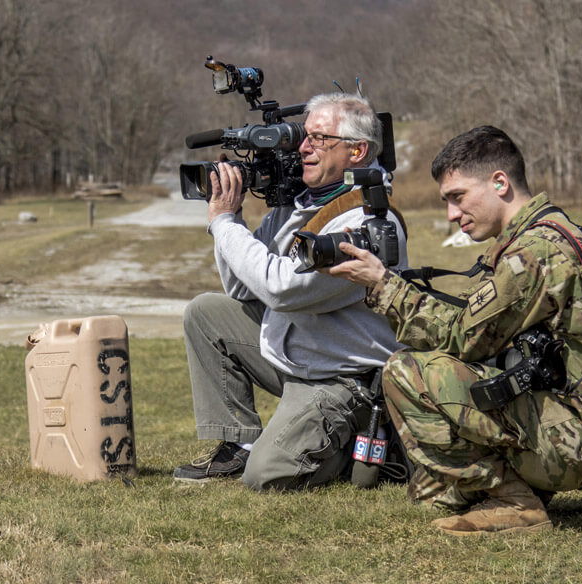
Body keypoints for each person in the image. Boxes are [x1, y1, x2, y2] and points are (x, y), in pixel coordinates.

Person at [326, 125, 582, 535]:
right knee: (432, 491)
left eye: (457, 197)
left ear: (499, 182)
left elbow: (462, 340)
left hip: (576, 444)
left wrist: (381, 284)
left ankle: (515, 503)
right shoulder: (558, 231)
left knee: (405, 371)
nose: (452, 215)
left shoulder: (532, 255)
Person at [173, 93, 409, 490]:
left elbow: (284, 290)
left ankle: (362, 442)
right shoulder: (299, 207)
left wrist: (225, 224)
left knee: (267, 476)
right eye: (304, 136)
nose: (303, 147)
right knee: (206, 312)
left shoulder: (370, 221)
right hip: (298, 356)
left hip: (342, 377)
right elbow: (239, 287)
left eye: (318, 138)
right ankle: (237, 446)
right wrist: (234, 215)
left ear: (358, 151)